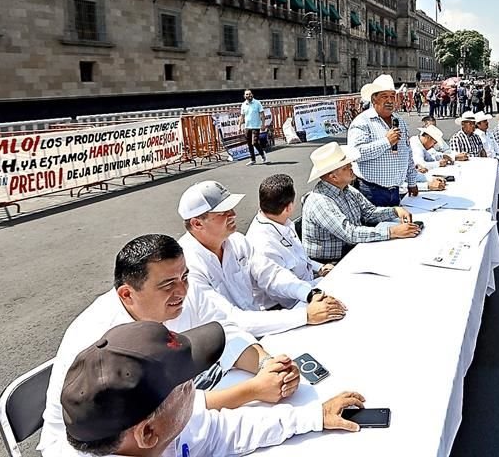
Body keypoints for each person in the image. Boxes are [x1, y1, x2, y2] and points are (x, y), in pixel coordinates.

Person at [38, 234, 298, 457]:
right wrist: (251, 391)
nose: (182, 290)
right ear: (127, 294)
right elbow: (167, 413)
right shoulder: (103, 347)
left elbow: (225, 331)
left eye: (185, 276)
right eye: (167, 284)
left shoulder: (181, 293)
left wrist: (268, 366)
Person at [60, 321, 366, 457]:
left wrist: (315, 416)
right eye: (186, 383)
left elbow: (222, 430)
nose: (197, 385)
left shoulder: (162, 433)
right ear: (148, 433)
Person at [177, 181, 347, 336]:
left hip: (258, 329)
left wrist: (310, 293)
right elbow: (230, 319)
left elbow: (271, 274)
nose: (234, 214)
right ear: (197, 223)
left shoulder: (237, 241)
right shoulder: (186, 266)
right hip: (229, 348)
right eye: (224, 212)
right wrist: (305, 315)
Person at [302, 142, 420, 262]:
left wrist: (395, 211)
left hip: (349, 250)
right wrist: (392, 232)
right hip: (330, 262)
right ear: (333, 177)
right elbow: (349, 234)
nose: (351, 167)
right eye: (346, 167)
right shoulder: (320, 201)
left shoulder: (347, 189)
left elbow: (369, 212)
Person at [245, 175, 334, 306]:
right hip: (288, 304)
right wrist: (321, 282)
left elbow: (300, 258)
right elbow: (283, 293)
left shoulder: (281, 222)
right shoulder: (263, 244)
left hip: (309, 285)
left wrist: (320, 268)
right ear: (289, 207)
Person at [347, 74, 419, 207]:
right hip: (372, 191)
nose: (390, 101)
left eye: (392, 96)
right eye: (384, 96)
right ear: (374, 99)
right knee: (378, 227)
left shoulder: (400, 121)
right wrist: (386, 142)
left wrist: (412, 182)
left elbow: (407, 153)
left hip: (396, 190)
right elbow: (356, 153)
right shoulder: (362, 122)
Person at [237, 89, 267, 166]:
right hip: (247, 127)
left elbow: (262, 114)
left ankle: (262, 154)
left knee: (255, 142)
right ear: (244, 96)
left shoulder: (257, 103)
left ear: (252, 95)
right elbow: (242, 116)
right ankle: (253, 159)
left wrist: (263, 124)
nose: (249, 95)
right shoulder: (243, 105)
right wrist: (239, 126)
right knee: (249, 144)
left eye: (250, 94)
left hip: (256, 126)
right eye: (247, 94)